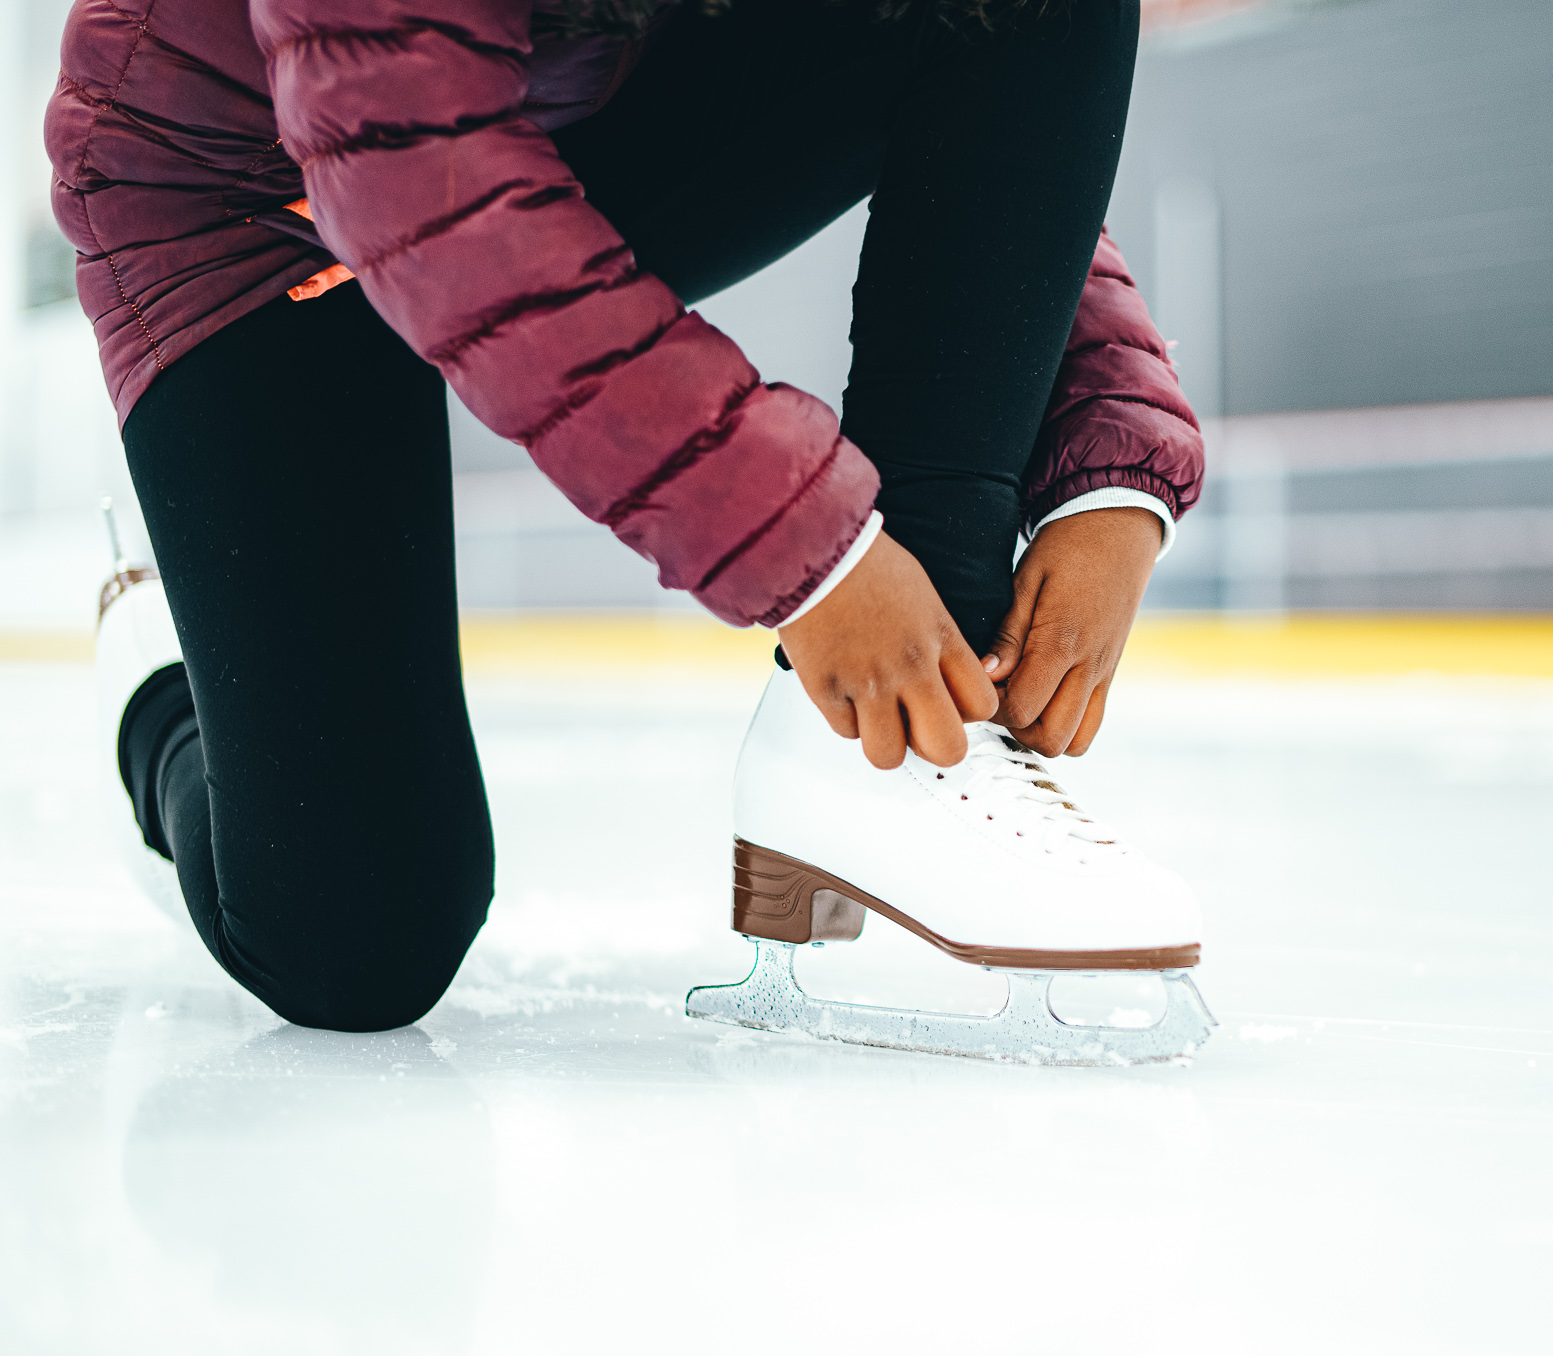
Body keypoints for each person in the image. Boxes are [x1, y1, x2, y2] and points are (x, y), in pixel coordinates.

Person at [53, 0, 1205, 1035]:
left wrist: (1110, 467)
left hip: (563, 125)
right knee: (354, 945)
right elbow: (407, 152)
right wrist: (820, 560)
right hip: (254, 211)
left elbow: (991, 123)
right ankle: (164, 681)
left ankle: (886, 751)